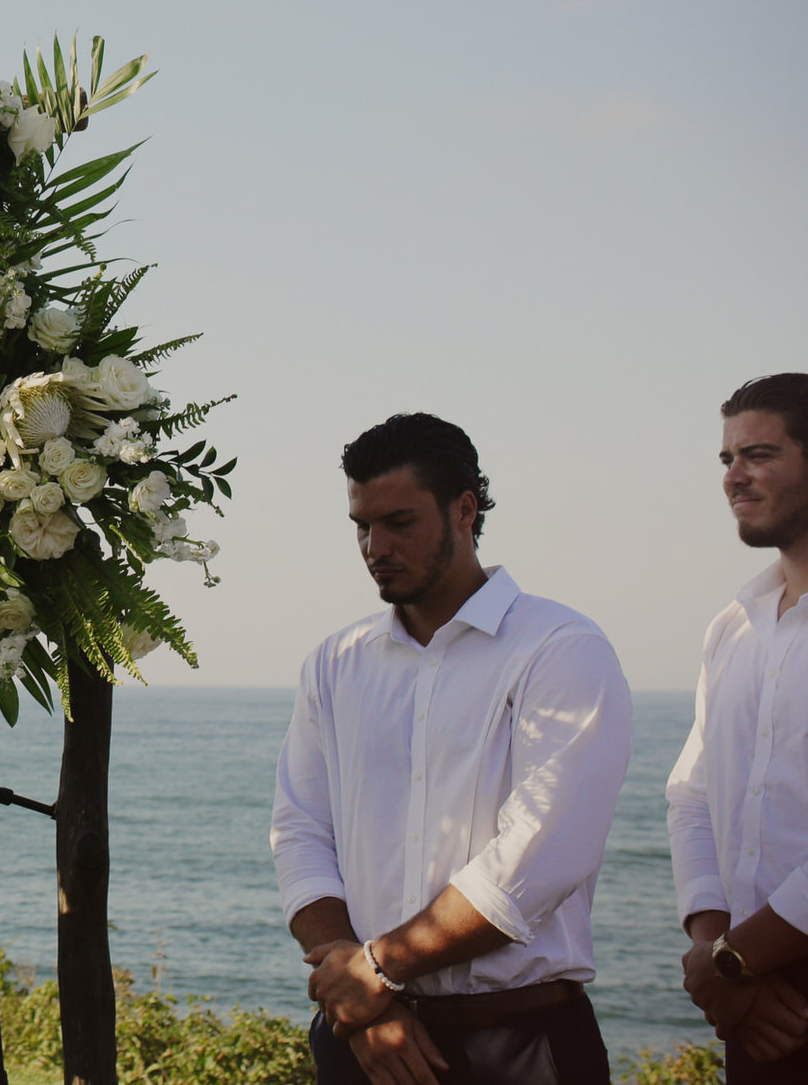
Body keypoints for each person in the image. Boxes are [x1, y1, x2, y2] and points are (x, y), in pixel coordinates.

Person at [273, 413, 632, 1085]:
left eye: (400, 522)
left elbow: (541, 856)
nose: (375, 545)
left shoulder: (560, 649)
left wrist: (375, 970)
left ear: (465, 509)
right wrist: (360, 999)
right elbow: (299, 831)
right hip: (363, 1041)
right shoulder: (335, 662)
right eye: (361, 525)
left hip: (519, 1045)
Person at [667, 373, 808, 1079]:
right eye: (726, 459)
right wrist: (712, 945)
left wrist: (730, 960)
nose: (734, 477)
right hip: (754, 1006)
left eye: (757, 454)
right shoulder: (734, 627)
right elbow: (691, 795)